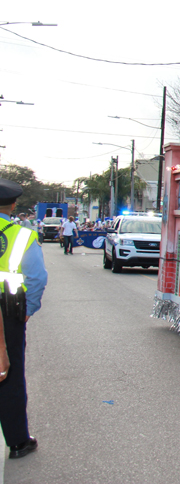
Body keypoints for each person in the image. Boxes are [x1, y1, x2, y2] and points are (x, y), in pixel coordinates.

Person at [0, 178, 48, 459]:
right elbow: (37, 278)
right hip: (7, 311)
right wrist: (28, 309)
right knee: (9, 374)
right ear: (14, 204)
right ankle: (18, 441)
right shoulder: (21, 235)